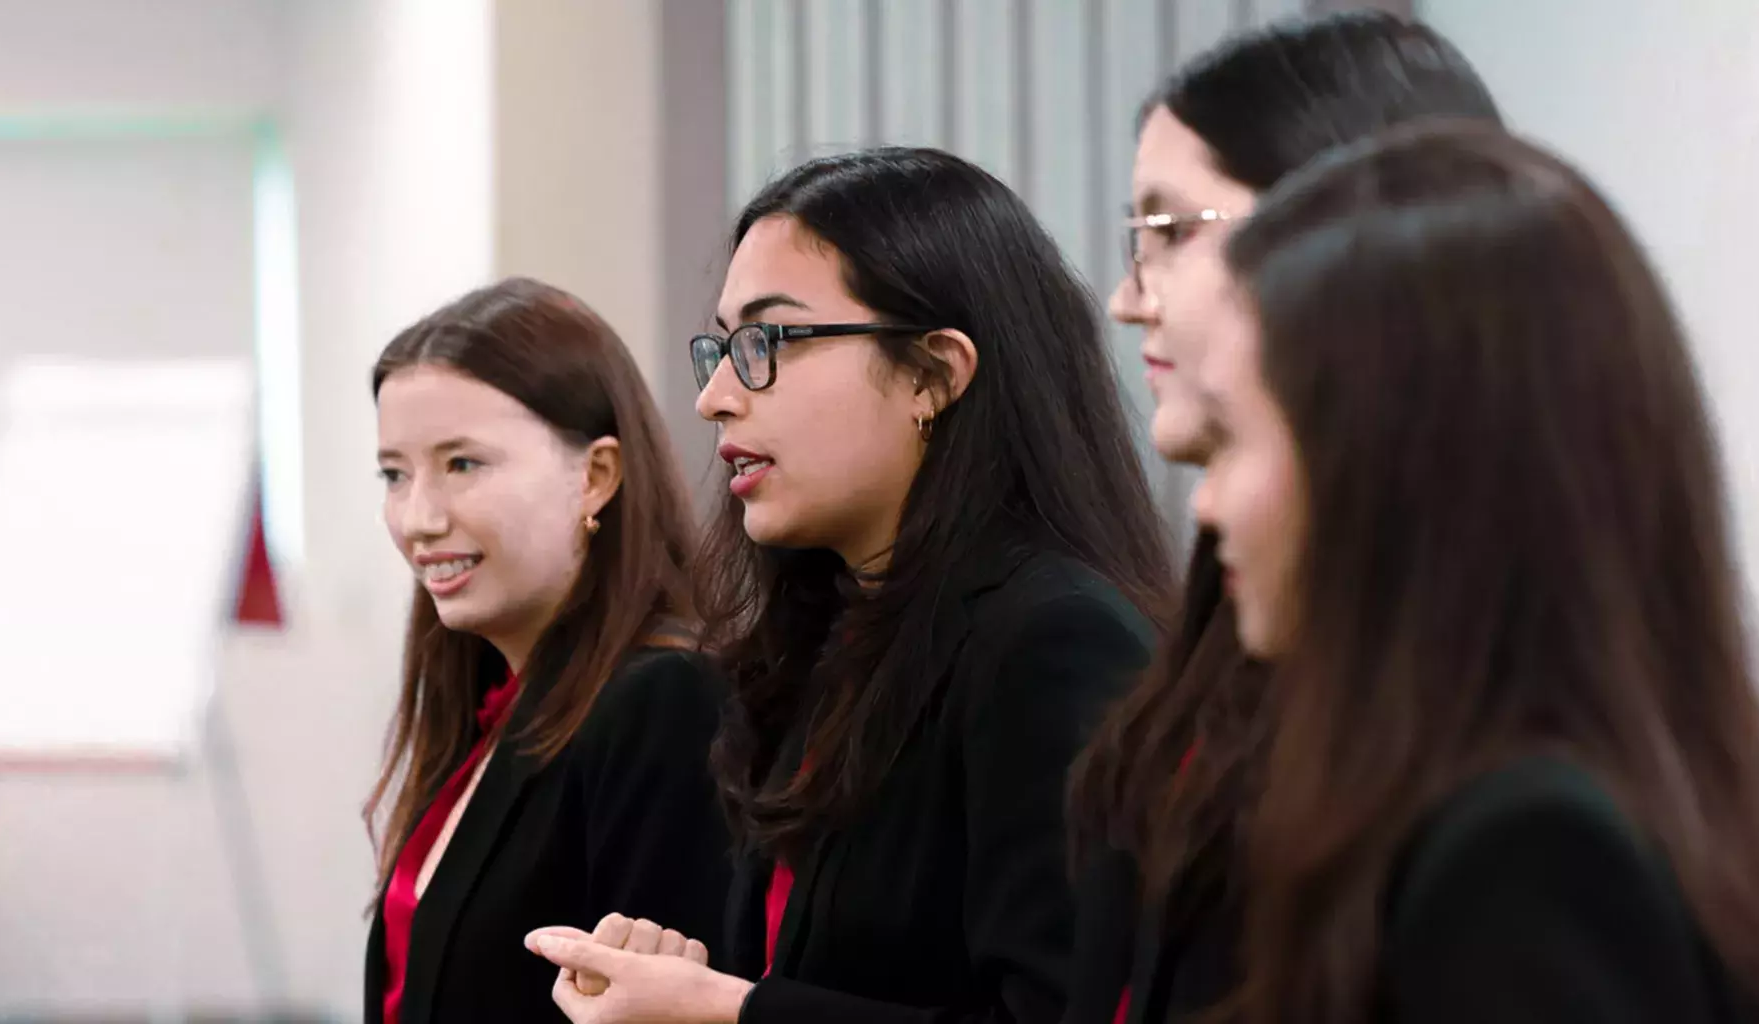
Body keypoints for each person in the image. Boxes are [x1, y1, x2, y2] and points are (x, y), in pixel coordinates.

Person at [1138, 122, 1759, 1021]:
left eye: (1234, 441)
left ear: (1395, 461)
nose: (1206, 505)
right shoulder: (1434, 797)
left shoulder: (1526, 856)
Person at [526, 146, 1174, 1024]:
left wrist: (729, 1011)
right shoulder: (829, 637)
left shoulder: (1052, 641)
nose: (716, 393)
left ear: (934, 374)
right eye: (721, 346)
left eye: (767, 342)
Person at [1067, 13, 1506, 1021]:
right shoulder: (1234, 629)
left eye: (1171, 233)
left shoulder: (1498, 772)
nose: (1128, 297)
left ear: (1350, 236)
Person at [362, 278, 732, 1024]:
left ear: (596, 476)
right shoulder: (494, 704)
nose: (418, 517)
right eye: (395, 474)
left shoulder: (662, 697)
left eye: (462, 464)